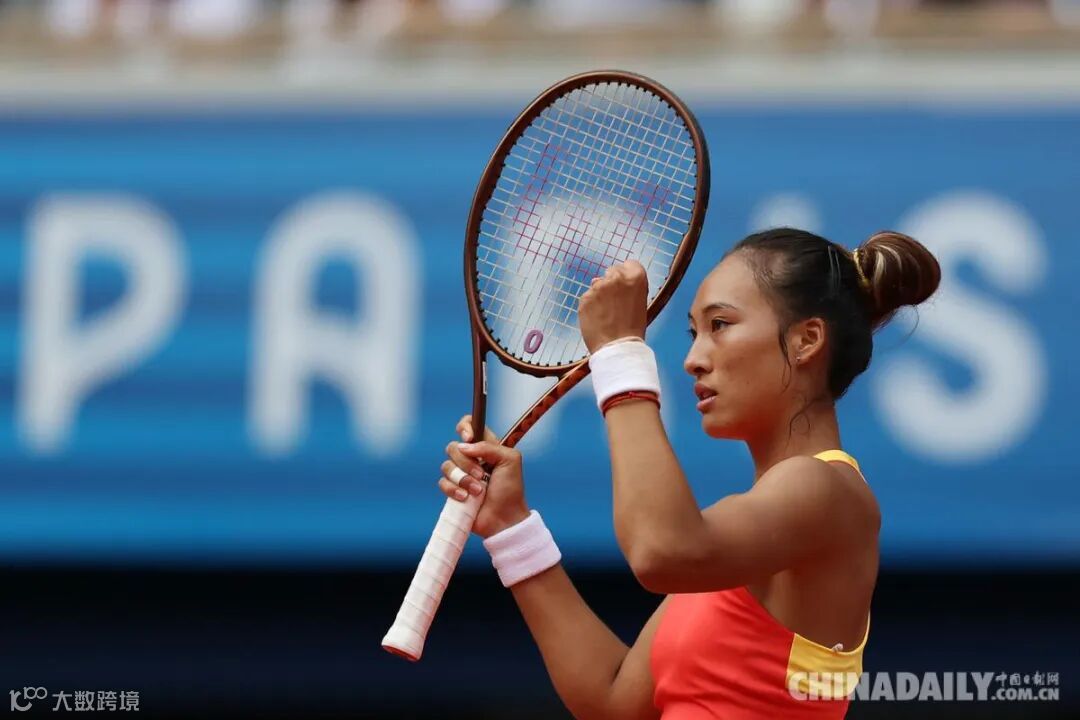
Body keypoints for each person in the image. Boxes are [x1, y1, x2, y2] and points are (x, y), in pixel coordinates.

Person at [439, 228, 940, 719]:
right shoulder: (740, 538)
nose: (693, 360)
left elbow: (660, 550)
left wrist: (621, 356)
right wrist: (511, 525)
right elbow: (614, 700)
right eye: (693, 333)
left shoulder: (825, 490)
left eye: (720, 324)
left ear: (806, 340)